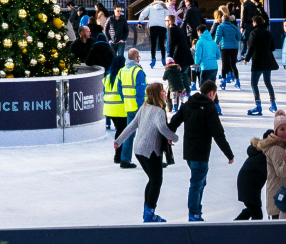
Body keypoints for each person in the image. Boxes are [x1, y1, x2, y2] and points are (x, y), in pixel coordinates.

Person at [168, 78, 234, 221]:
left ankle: (197, 210)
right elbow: (218, 133)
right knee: (197, 184)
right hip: (201, 153)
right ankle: (194, 214)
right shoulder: (209, 108)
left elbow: (175, 121)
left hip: (189, 153)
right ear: (211, 93)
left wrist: (169, 135)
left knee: (200, 182)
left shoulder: (188, 104)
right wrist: (229, 154)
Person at [113, 81, 178, 222]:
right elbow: (162, 127)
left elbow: (131, 126)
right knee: (156, 181)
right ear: (156, 94)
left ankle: (147, 212)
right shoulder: (159, 111)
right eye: (162, 91)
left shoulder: (144, 107)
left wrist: (119, 140)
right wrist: (174, 137)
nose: (164, 93)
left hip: (139, 150)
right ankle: (149, 214)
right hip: (150, 151)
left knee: (153, 180)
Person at [236, 126, 279, 220]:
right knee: (257, 215)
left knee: (251, 210)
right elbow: (275, 172)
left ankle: (235, 225)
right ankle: (235, 229)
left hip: (247, 183)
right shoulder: (265, 155)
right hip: (249, 185)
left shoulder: (260, 152)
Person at [250, 110, 286, 219]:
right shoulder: (276, 148)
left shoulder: (283, 146)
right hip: (279, 200)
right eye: (282, 129)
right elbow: (281, 173)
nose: (285, 132)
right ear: (275, 131)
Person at [244, 13, 279, 115]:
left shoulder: (254, 33)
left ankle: (258, 105)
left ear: (254, 23)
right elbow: (273, 48)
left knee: (254, 83)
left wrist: (247, 58)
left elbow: (251, 47)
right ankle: (273, 104)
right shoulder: (268, 33)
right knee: (268, 83)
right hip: (268, 61)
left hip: (258, 62)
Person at [117, 48, 145, 169]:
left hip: (128, 107)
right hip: (139, 108)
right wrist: (142, 106)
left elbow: (119, 89)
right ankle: (151, 159)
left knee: (129, 134)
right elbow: (140, 91)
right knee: (147, 134)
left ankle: (125, 159)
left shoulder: (122, 71)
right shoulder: (138, 71)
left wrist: (125, 101)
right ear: (136, 58)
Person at [103, 50, 127, 151]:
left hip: (109, 109)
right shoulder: (122, 76)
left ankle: (119, 154)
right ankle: (118, 155)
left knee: (120, 130)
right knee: (122, 132)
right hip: (120, 109)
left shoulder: (108, 77)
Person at [215, 8, 241, 87]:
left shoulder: (220, 27)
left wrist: (215, 44)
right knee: (233, 65)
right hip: (234, 48)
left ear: (222, 20)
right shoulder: (234, 27)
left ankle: (223, 81)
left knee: (224, 64)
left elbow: (218, 37)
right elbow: (239, 37)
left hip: (225, 47)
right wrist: (235, 41)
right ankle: (237, 81)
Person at [141, 0, 170, 67]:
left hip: (153, 27)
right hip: (162, 28)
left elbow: (143, 14)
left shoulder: (150, 8)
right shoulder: (164, 8)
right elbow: (168, 16)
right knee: (162, 45)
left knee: (153, 45)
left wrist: (140, 21)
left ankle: (153, 59)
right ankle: (163, 59)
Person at [193, 23, 221, 89]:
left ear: (199, 31)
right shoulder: (213, 42)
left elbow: (198, 54)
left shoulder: (200, 42)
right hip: (214, 67)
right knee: (212, 88)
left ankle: (205, 99)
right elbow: (218, 55)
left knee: (204, 88)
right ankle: (214, 99)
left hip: (206, 67)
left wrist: (196, 63)